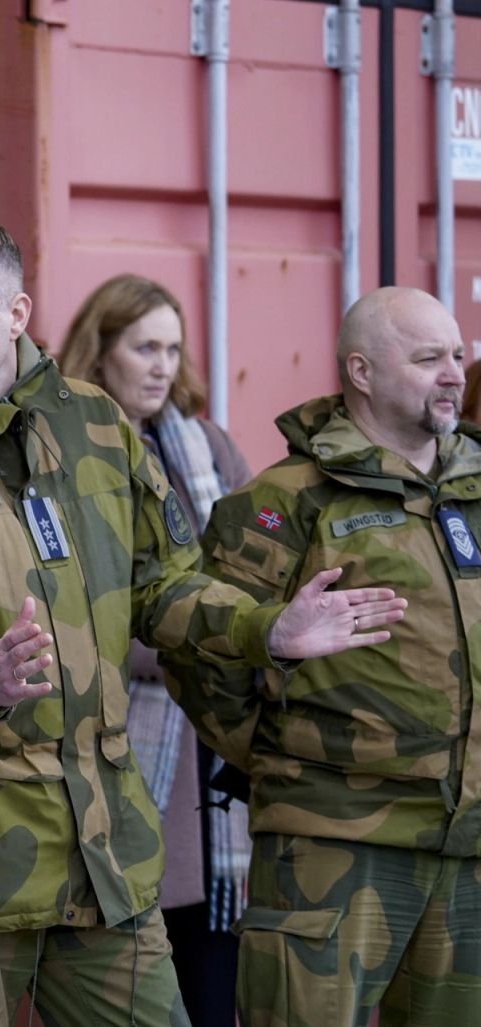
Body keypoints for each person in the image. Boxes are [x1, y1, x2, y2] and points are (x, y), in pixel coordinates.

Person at [0, 213, 404, 1027]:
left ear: (17, 313)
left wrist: (267, 629)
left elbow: (163, 586)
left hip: (103, 863)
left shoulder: (97, 426)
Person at [169, 286, 481, 1025]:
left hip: (469, 850)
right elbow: (201, 652)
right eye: (428, 358)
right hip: (333, 845)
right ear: (361, 371)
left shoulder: (474, 488)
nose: (453, 374)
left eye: (457, 355)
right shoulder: (288, 500)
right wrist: (283, 758)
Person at [56, 273, 252, 1024]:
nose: (163, 366)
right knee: (140, 957)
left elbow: (254, 572)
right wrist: (196, 638)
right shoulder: (63, 449)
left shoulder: (207, 446)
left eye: (172, 349)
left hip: (212, 742)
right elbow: (70, 602)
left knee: (213, 964)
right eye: (144, 348)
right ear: (100, 351)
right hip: (121, 732)